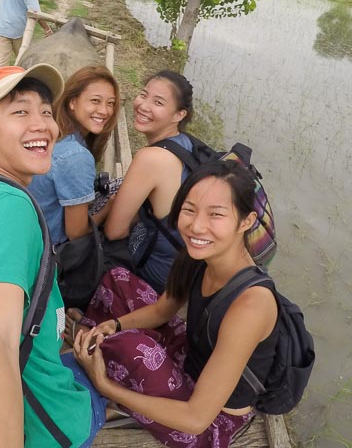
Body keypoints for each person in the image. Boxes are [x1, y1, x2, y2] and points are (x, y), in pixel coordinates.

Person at [0, 64, 104, 446]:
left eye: (46, 112)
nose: (43, 125)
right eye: (20, 111)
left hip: (15, 368)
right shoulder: (8, 209)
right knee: (99, 387)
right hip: (43, 424)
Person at [72, 159, 280, 448]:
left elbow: (196, 419)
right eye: (189, 210)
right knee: (118, 281)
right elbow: (162, 310)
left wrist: (103, 384)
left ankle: (104, 382)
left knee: (131, 347)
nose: (196, 226)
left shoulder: (250, 306)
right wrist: (114, 323)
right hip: (191, 359)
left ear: (245, 222)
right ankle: (96, 348)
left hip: (208, 421)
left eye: (216, 214)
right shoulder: (199, 257)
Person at [102, 70, 196, 292]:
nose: (143, 106)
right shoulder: (186, 143)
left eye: (158, 102)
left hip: (156, 278)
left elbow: (114, 231)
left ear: (179, 115)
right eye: (143, 95)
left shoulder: (151, 158)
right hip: (182, 268)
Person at [29, 65, 121, 244]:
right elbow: (76, 234)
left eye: (110, 103)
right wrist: (109, 207)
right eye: (95, 101)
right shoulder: (75, 156)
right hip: (52, 250)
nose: (104, 111)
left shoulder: (53, 135)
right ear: (72, 102)